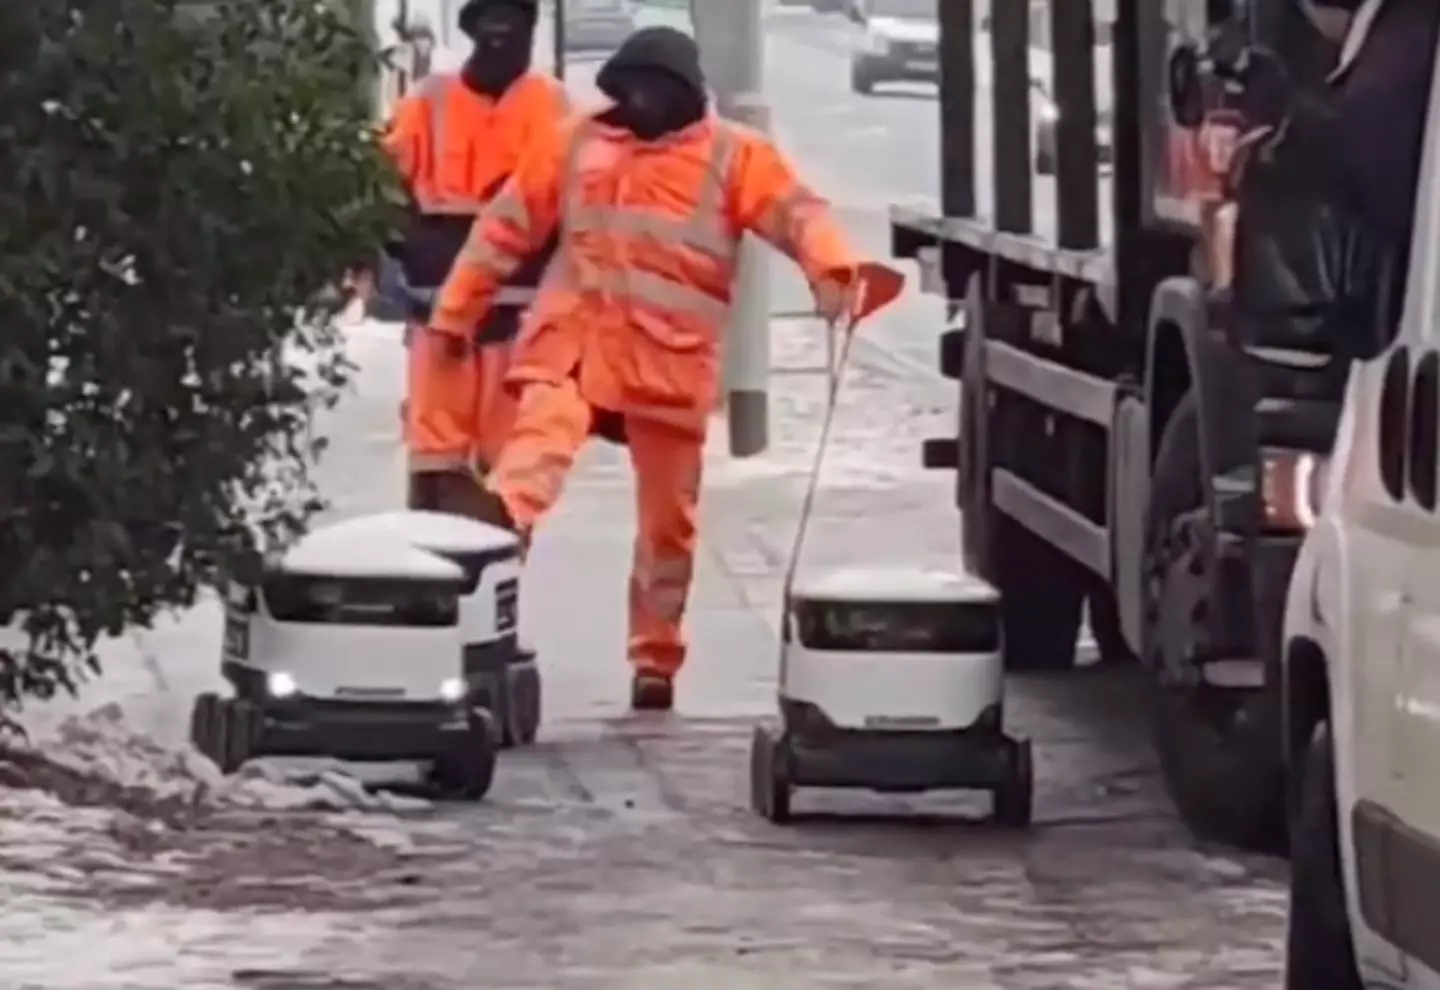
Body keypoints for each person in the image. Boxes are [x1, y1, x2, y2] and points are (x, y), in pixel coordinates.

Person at [422, 26, 904, 711]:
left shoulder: (735, 158)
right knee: (538, 438)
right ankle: (504, 519)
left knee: (668, 529)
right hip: (576, 344)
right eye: (633, 88)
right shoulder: (577, 142)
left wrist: (838, 274)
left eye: (656, 91)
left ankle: (656, 660)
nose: (642, 102)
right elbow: (504, 229)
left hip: (666, 365)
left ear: (685, 95)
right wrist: (453, 315)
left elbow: (799, 217)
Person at [383, 0, 567, 517]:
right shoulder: (430, 101)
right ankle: (432, 577)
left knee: (505, 481)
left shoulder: (552, 106)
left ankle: (497, 580)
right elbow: (380, 185)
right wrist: (399, 257)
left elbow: (578, 201)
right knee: (435, 464)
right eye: (490, 27)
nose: (501, 38)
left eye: (513, 27)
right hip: (439, 315)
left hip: (517, 319)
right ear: (470, 32)